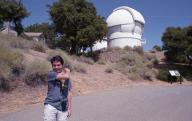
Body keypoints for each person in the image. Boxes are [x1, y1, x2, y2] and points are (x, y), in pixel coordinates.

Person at [44, 55, 72, 121]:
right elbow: (67, 76)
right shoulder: (51, 74)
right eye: (54, 65)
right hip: (51, 106)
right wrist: (68, 71)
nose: (56, 67)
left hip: (63, 107)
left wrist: (69, 108)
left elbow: (69, 93)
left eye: (58, 65)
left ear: (62, 65)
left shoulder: (66, 77)